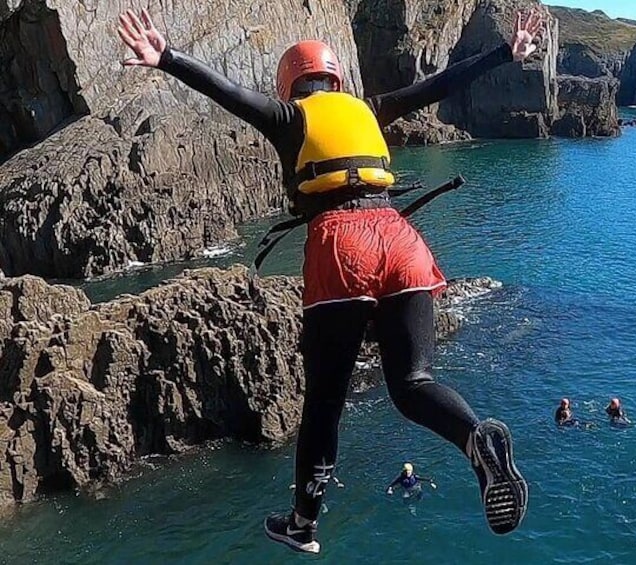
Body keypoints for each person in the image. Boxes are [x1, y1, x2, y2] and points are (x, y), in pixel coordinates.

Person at [117, 6, 545, 555]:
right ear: (336, 79)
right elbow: (440, 84)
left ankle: (303, 522)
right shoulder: (369, 109)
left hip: (342, 245)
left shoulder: (288, 116)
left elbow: (227, 92)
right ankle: (474, 438)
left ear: (288, 84)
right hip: (401, 240)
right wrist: (505, 52)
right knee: (413, 382)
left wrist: (167, 57)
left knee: (324, 400)